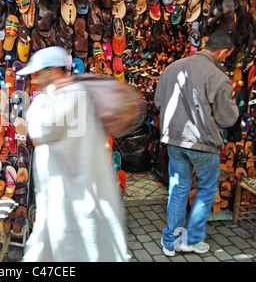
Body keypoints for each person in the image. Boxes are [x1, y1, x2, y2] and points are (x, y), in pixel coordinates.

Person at [17, 46, 129, 262]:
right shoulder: (68, 94)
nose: (36, 79)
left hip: (74, 192)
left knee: (73, 248)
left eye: (40, 72)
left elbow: (42, 130)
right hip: (65, 190)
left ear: (53, 71)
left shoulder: (69, 96)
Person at [154, 30, 239, 256]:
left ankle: (170, 241)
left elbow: (159, 102)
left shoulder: (171, 68)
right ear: (223, 51)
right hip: (202, 143)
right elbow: (227, 118)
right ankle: (191, 239)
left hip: (174, 139)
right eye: (226, 55)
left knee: (178, 189)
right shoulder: (219, 77)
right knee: (206, 189)